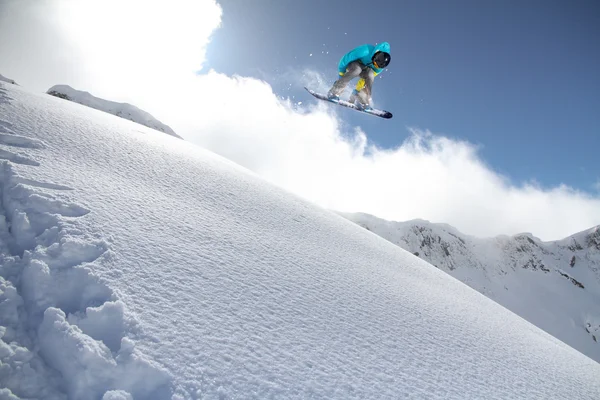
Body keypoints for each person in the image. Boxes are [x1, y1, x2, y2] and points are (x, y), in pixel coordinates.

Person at [327, 42, 391, 111]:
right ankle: (334, 91)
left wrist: (356, 91)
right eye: (374, 63)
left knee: (371, 75)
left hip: (365, 69)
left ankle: (362, 99)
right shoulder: (365, 51)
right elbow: (346, 59)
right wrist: (341, 75)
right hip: (353, 65)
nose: (374, 65)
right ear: (375, 56)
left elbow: (367, 79)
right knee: (357, 70)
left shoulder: (379, 68)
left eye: (376, 66)